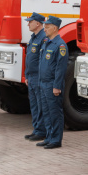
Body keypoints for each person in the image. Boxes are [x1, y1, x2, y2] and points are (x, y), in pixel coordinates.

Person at [37, 15, 68, 149]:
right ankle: (49, 137)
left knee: (54, 112)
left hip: (52, 84)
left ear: (55, 28)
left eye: (47, 27)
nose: (45, 29)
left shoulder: (60, 46)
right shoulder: (47, 43)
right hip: (43, 83)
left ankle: (56, 139)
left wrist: (56, 86)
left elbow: (60, 69)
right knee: (47, 112)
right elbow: (41, 65)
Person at [22, 13, 47, 141]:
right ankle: (36, 129)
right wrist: (26, 75)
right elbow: (29, 59)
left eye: (30, 21)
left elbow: (42, 61)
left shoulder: (43, 38)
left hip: (38, 77)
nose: (28, 24)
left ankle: (42, 130)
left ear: (37, 23)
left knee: (40, 104)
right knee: (34, 105)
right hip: (31, 77)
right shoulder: (33, 37)